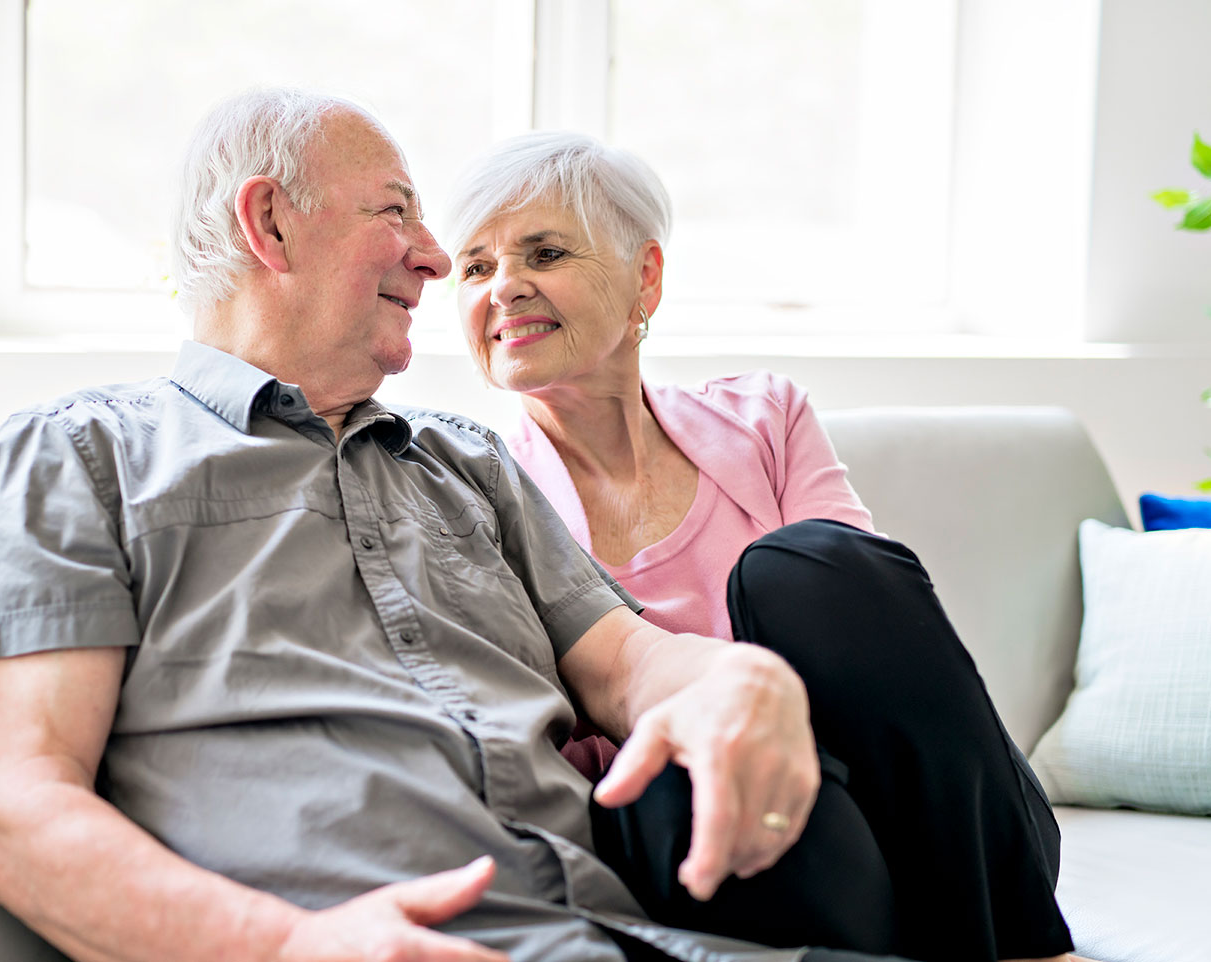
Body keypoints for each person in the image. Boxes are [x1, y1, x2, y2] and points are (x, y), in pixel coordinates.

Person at [0, 88, 906, 962]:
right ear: (270, 225)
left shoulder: (466, 460)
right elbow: (18, 813)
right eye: (397, 215)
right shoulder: (79, 457)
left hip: (628, 936)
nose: (436, 260)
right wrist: (285, 944)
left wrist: (740, 676)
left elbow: (630, 661)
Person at [446, 130, 1081, 962]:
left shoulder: (766, 417)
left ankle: (1035, 950)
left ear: (647, 276)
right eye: (475, 267)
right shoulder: (477, 493)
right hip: (771, 844)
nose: (505, 289)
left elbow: (882, 642)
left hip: (949, 825)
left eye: (545, 252)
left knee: (810, 565)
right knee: (673, 774)